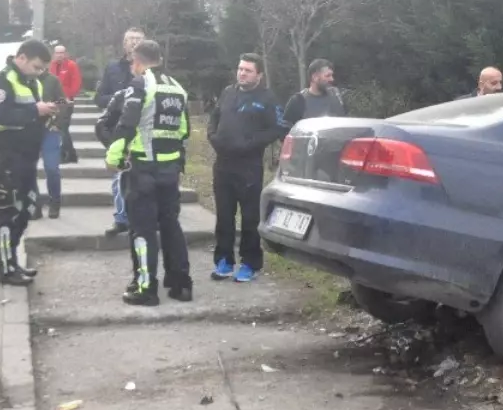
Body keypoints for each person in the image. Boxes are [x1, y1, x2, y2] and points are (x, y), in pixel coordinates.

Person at [105, 40, 193, 305]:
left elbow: (127, 124)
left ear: (138, 60)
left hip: (143, 167)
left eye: (133, 61)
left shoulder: (141, 84)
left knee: (141, 229)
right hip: (170, 169)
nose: (132, 66)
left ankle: (145, 288)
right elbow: (184, 130)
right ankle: (181, 285)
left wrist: (114, 156)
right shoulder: (177, 88)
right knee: (171, 226)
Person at [208, 53, 287, 283]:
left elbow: (277, 128)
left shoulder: (267, 98)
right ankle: (223, 260)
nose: (242, 73)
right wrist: (212, 136)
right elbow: (214, 118)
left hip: (249, 167)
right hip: (223, 165)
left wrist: (251, 143)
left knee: (250, 218)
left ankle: (250, 262)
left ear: (259, 75)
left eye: (248, 70)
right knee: (224, 216)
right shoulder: (227, 92)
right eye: (240, 69)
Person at [0, 39, 57, 286]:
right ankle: (5, 268)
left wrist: (47, 115)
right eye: (36, 67)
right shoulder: (2, 83)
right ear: (22, 57)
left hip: (26, 158)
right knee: (8, 213)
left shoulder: (32, 82)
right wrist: (35, 111)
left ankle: (12, 260)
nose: (39, 72)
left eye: (42, 69)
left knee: (26, 211)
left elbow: (31, 118)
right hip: (4, 158)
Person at [96, 27, 144, 237]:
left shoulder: (150, 70)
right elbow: (98, 97)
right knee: (118, 179)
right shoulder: (112, 67)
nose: (133, 43)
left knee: (143, 180)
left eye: (137, 40)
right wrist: (118, 100)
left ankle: (145, 218)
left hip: (143, 131)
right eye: (130, 39)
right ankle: (121, 219)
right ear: (124, 44)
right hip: (118, 131)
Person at [32, 67, 67, 220]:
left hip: (50, 130)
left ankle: (55, 202)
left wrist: (57, 122)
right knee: (28, 170)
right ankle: (34, 205)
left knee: (52, 168)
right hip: (29, 131)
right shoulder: (25, 80)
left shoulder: (53, 80)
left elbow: (62, 101)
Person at [282, 58, 347, 126]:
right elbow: (286, 130)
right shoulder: (298, 101)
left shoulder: (337, 97)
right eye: (327, 76)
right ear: (314, 77)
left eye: (331, 75)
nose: (332, 79)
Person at [49, 44, 81, 164]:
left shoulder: (71, 65)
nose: (59, 55)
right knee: (62, 128)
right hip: (55, 101)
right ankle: (71, 154)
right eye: (57, 53)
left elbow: (76, 82)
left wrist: (70, 96)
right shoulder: (51, 66)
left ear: (66, 53)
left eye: (62, 53)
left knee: (62, 127)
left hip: (67, 101)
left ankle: (66, 154)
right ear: (54, 54)